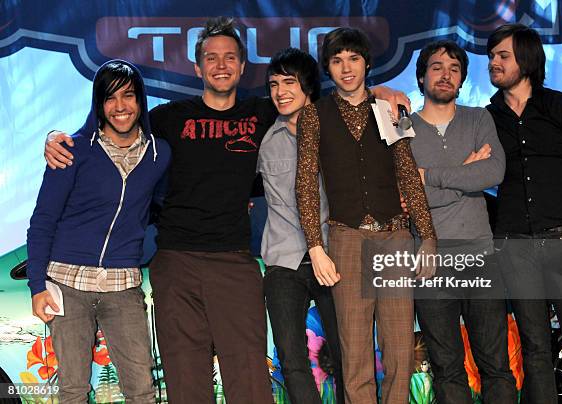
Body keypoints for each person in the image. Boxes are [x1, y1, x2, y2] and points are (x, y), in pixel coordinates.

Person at [43, 18, 409, 403]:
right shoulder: (169, 117)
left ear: (242, 66)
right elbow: (114, 121)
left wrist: (382, 91)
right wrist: (55, 137)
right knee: (185, 376)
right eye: (211, 58)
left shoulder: (264, 112)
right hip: (176, 259)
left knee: (249, 375)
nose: (221, 65)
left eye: (230, 57)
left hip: (234, 260)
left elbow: (327, 99)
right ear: (198, 67)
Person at [296, 27, 436, 403]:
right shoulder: (313, 115)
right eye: (337, 60)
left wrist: (428, 236)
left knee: (400, 352)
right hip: (346, 239)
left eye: (353, 59)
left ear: (367, 63)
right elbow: (306, 182)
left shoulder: (392, 111)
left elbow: (408, 172)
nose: (346, 68)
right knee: (355, 355)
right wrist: (315, 244)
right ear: (327, 67)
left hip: (394, 237)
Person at [27, 60, 171, 403]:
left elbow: (168, 203)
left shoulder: (158, 154)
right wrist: (36, 285)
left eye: (128, 96)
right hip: (67, 285)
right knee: (74, 389)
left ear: (140, 100)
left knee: (141, 390)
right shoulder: (72, 150)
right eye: (110, 98)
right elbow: (43, 219)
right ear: (98, 103)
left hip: (123, 286)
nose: (120, 107)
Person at [486, 23, 562, 404]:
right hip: (514, 246)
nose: (494, 62)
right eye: (491, 56)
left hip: (561, 243)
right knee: (535, 351)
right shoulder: (485, 118)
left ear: (526, 60)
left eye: (502, 56)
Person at [409, 40, 516, 403]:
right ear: (422, 77)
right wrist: (465, 172)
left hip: (480, 256)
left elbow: (494, 172)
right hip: (430, 262)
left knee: (496, 365)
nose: (446, 75)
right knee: (446, 367)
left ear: (462, 80)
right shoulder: (401, 130)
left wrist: (432, 177)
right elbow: (407, 199)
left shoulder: (479, 118)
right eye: (437, 67)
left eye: (454, 69)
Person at [259, 47, 344, 404]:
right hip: (284, 261)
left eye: (289, 82)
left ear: (308, 84)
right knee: (291, 359)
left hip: (335, 257)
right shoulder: (264, 139)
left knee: (347, 355)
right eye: (274, 84)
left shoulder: (337, 130)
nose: (280, 91)